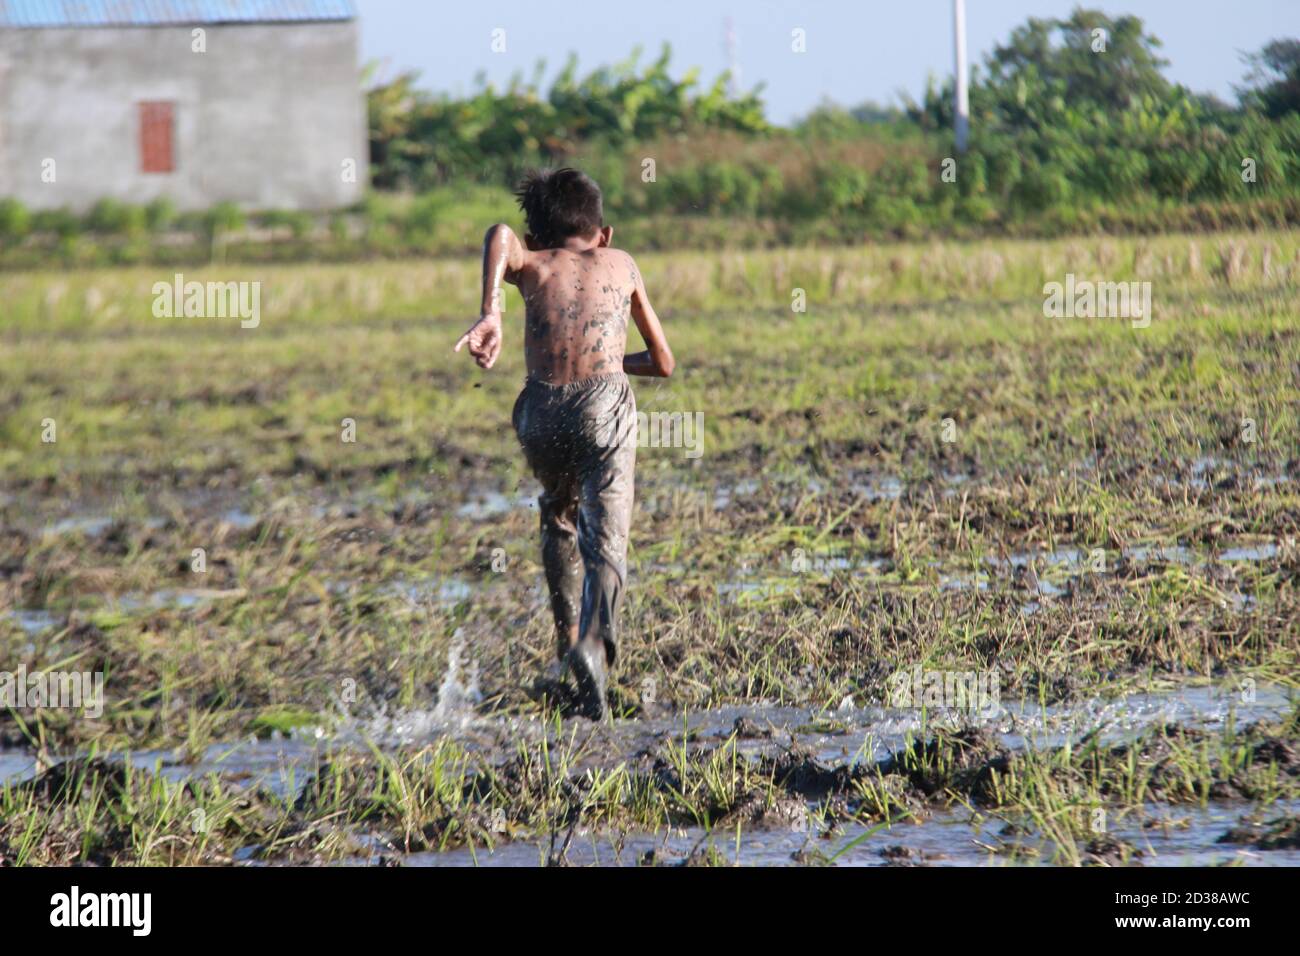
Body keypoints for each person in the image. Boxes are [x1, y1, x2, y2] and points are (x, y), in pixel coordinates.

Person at [454, 168, 675, 719]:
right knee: (608, 530)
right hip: (603, 405)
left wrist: (492, 311)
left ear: (537, 240)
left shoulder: (532, 263)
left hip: (539, 408)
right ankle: (594, 646)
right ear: (605, 234)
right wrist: (607, 360)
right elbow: (664, 363)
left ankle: (565, 639)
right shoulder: (622, 263)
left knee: (559, 513)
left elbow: (499, 233)